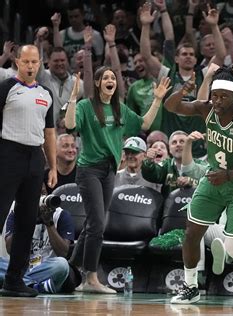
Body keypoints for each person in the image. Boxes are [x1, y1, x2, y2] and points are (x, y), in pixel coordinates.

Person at [165, 67, 233, 304]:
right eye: (214, 96)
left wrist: (231, 175)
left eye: (223, 97)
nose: (217, 101)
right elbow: (171, 106)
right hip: (214, 180)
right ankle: (191, 286)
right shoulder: (206, 108)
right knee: (192, 233)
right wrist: (182, 90)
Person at [64, 69, 170, 294]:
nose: (111, 80)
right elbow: (70, 125)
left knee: (94, 222)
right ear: (99, 82)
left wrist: (158, 99)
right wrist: (73, 99)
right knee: (97, 224)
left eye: (114, 77)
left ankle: (70, 267)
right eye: (106, 78)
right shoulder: (85, 106)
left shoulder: (119, 109)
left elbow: (144, 124)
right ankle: (91, 278)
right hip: (89, 170)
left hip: (109, 170)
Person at [0, 44, 57, 297]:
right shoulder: (6, 88)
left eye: (35, 62)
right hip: (8, 153)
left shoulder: (46, 93)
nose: (31, 66)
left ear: (40, 63)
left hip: (35, 158)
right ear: (17, 62)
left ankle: (14, 280)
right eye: (26, 62)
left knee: (26, 222)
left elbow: (50, 133)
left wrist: (52, 165)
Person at [0, 203, 75, 294]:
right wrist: (25, 221)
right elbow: (10, 249)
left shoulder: (61, 215)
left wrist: (49, 223)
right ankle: (35, 286)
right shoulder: (17, 214)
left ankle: (19, 283)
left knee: (62, 264)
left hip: (47, 269)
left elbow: (63, 253)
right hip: (20, 268)